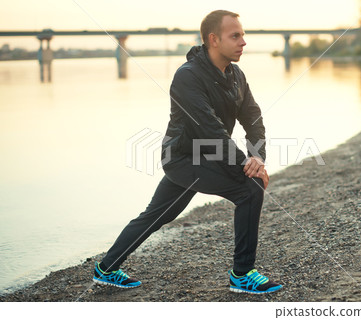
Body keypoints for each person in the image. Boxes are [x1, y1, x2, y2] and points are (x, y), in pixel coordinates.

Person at [93, 10, 282, 294]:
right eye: (236, 36)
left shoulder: (235, 75)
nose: (243, 42)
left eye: (243, 35)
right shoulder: (188, 77)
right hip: (183, 157)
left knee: (157, 215)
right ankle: (242, 275)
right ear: (213, 39)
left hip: (210, 155)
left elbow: (253, 118)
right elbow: (210, 130)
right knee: (250, 188)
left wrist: (257, 157)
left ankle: (106, 269)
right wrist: (248, 167)